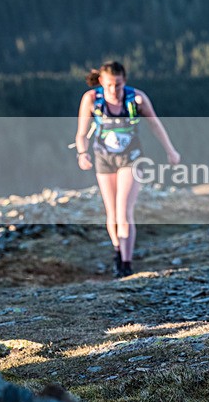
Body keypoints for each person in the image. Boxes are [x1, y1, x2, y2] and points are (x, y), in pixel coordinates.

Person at [75, 61, 180, 277]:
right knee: (112, 212)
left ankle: (126, 262)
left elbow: (155, 125)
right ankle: (117, 249)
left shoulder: (137, 99)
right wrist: (82, 152)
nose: (114, 90)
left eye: (119, 85)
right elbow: (81, 132)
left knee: (124, 211)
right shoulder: (91, 99)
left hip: (131, 159)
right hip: (103, 158)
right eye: (110, 85)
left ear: (125, 82)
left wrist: (170, 150)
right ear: (101, 82)